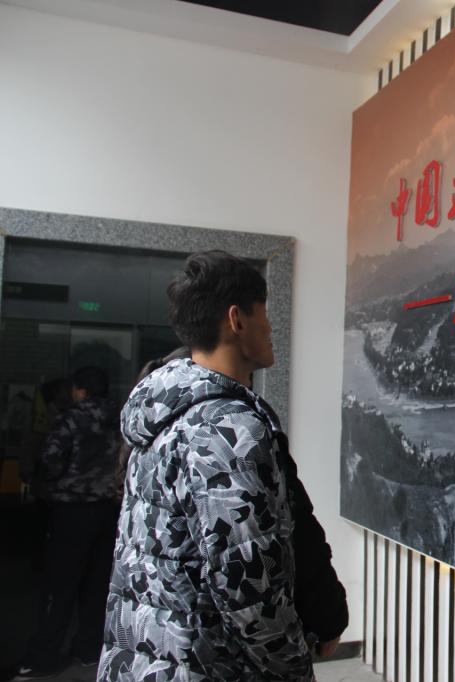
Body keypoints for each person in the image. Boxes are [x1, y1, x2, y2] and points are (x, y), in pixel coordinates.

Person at [98, 250, 347, 681]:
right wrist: (293, 665)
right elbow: (249, 588)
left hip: (148, 654)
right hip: (210, 664)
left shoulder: (161, 410)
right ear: (237, 320)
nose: (271, 328)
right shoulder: (227, 430)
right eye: (263, 313)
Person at [16, 367, 120, 678]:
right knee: (97, 585)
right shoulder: (121, 418)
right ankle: (88, 649)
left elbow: (51, 460)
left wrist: (47, 483)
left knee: (60, 585)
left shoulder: (71, 419)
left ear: (80, 390)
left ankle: (43, 656)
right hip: (109, 510)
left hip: (72, 511)